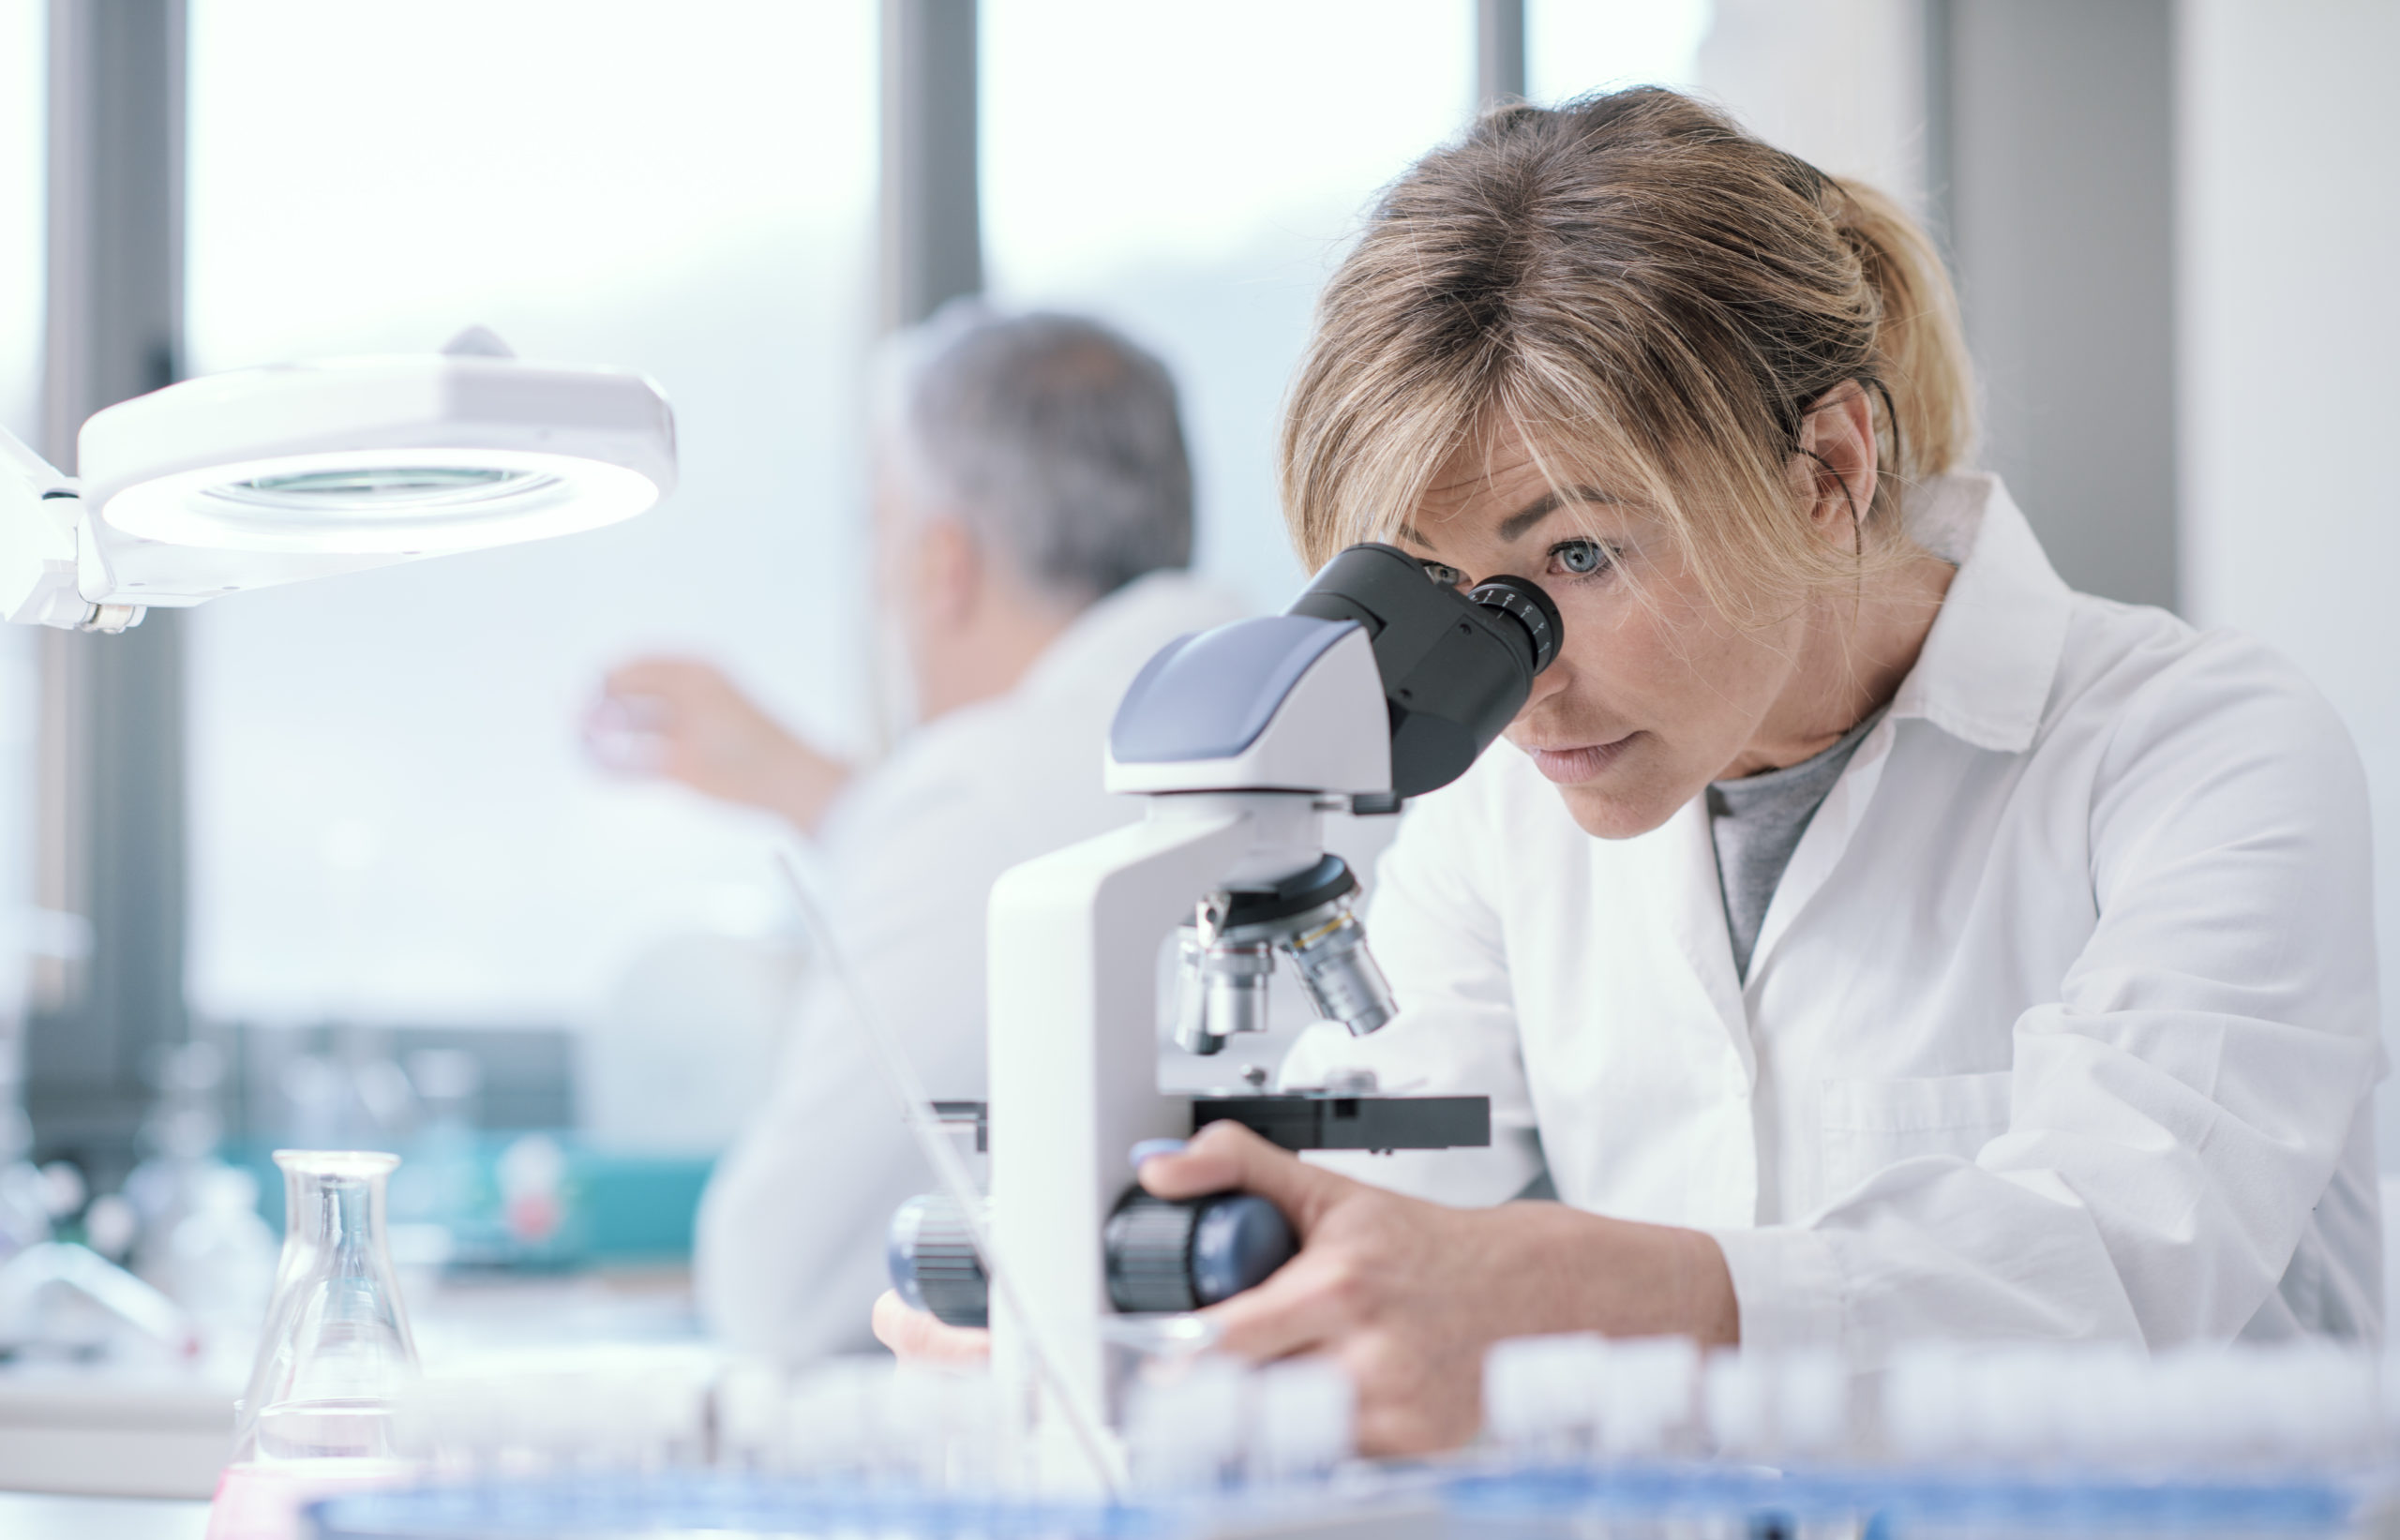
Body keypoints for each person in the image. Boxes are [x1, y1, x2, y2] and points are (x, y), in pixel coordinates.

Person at [878, 90, 2385, 1455]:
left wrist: (1586, 1301)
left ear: (1831, 470)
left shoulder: (2201, 752)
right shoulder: (1503, 820)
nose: (1516, 685)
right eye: (1443, 596)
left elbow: (2115, 1259)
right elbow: (1377, 1211)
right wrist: (1160, 1306)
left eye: (1578, 556)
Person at [600, 307, 1243, 1361]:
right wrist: (819, 792)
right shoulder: (1276, 721)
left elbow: (781, 1281)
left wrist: (884, 806)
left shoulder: (980, 793)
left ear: (942, 563)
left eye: (877, 529)